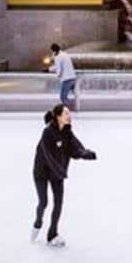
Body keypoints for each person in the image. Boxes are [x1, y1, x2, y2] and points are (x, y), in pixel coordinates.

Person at [31, 104, 97, 247]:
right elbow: (49, 157)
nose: (69, 115)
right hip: (42, 172)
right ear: (58, 116)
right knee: (44, 202)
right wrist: (61, 171)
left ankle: (52, 234)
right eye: (66, 113)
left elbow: (76, 147)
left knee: (59, 203)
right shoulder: (47, 133)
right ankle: (37, 222)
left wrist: (85, 153)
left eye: (69, 112)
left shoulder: (67, 132)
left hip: (58, 172)